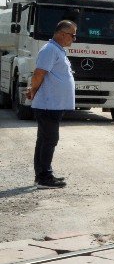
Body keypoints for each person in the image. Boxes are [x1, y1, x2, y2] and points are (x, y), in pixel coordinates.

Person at [25, 20, 77, 189]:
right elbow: (39, 73)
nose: (74, 39)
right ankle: (44, 177)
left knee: (45, 139)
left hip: (54, 104)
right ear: (62, 34)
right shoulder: (49, 50)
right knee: (49, 139)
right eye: (72, 35)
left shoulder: (57, 50)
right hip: (48, 104)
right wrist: (33, 90)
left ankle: (42, 175)